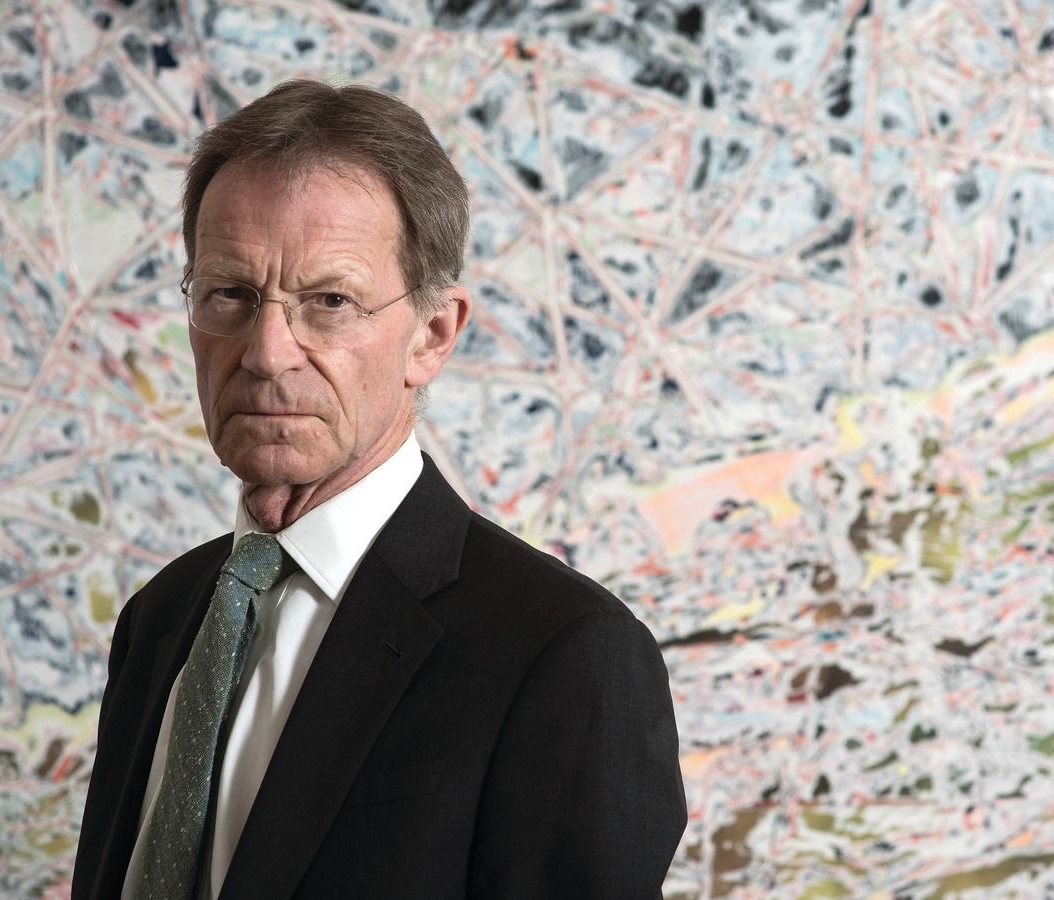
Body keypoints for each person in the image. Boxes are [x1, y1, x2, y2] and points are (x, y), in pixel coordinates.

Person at [71, 80, 687, 899]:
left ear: (432, 335)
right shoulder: (161, 617)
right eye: (231, 295)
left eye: (330, 301)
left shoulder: (566, 655)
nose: (267, 352)